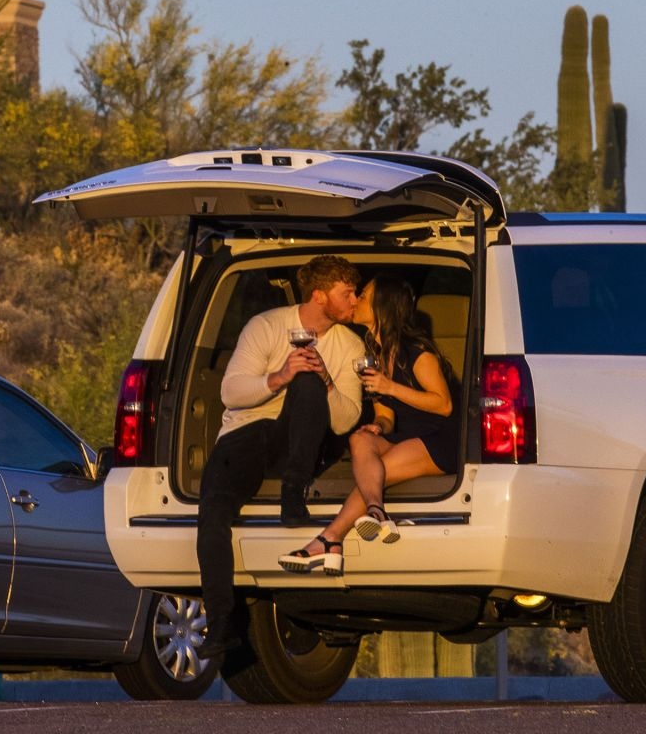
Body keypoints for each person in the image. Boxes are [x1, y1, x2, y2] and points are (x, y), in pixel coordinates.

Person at [194, 254, 365, 657]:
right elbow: (230, 393)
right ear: (319, 296)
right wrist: (280, 376)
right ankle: (220, 623)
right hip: (248, 434)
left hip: (304, 445)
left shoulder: (349, 344)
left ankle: (293, 491)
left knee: (309, 383)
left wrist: (323, 379)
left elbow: (345, 421)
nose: (355, 300)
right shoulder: (266, 326)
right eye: (347, 293)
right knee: (212, 511)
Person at [278, 275, 458, 575]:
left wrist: (390, 386)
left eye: (363, 296)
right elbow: (385, 415)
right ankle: (375, 512)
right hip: (405, 436)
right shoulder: (374, 355)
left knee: (376, 471)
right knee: (359, 439)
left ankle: (329, 539)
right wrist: (378, 427)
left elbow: (444, 404)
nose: (356, 300)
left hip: (439, 438)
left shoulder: (418, 352)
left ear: (382, 307)